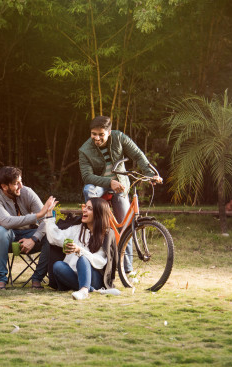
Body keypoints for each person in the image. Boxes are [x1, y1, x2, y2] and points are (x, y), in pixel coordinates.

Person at [78, 116, 162, 273]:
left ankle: (127, 270)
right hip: (100, 185)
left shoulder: (119, 137)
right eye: (93, 134)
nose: (96, 138)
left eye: (100, 134)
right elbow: (87, 177)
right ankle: (95, 222)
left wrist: (151, 175)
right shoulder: (84, 150)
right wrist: (109, 183)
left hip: (121, 185)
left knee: (125, 225)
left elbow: (138, 155)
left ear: (109, 132)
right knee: (88, 189)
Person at [0, 166, 51, 290]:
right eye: (16, 183)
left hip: (29, 235)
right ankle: (1, 279)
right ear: (4, 186)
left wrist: (34, 239)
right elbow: (6, 221)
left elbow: (46, 220)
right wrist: (37, 216)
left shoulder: (27, 192)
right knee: (0, 231)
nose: (21, 186)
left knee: (50, 235)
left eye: (21, 181)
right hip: (6, 238)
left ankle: (37, 278)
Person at [43, 196, 119, 300]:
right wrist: (49, 214)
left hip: (94, 277)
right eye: (85, 207)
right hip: (73, 275)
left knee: (83, 259)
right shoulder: (77, 229)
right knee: (58, 266)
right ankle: (93, 291)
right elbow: (54, 238)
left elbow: (100, 261)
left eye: (89, 208)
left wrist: (79, 250)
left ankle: (84, 289)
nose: (84, 209)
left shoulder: (106, 234)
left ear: (98, 213)